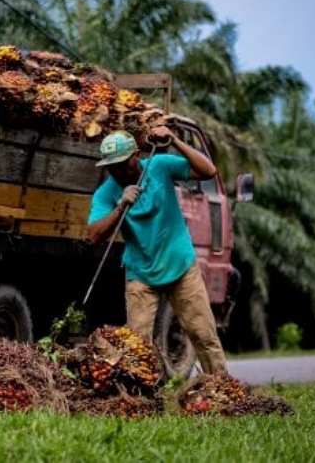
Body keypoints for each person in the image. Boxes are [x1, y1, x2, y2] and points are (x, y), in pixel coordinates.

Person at [86, 126, 227, 374]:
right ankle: (141, 399)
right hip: (141, 273)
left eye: (122, 164)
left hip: (179, 265)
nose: (117, 171)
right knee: (135, 345)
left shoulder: (159, 165)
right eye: (111, 167)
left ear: (136, 155)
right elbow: (94, 235)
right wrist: (120, 206)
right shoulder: (106, 193)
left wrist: (175, 141)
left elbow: (208, 171)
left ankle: (221, 390)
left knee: (203, 334)